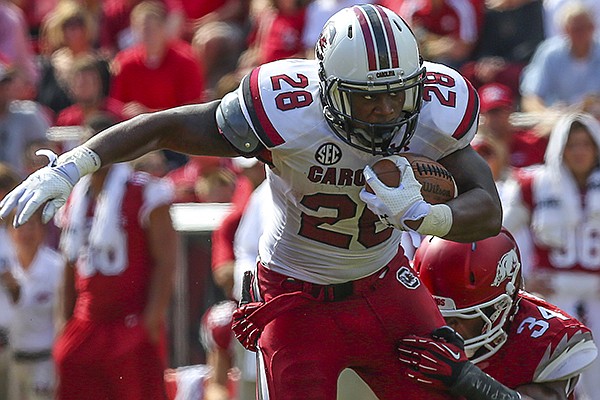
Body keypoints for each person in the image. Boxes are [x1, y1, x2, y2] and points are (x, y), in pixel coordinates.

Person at [0, 5, 502, 398]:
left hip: (386, 282)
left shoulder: (439, 106)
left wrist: (427, 216)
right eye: (367, 97)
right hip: (296, 297)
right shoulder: (286, 111)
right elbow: (168, 125)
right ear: (326, 91)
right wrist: (75, 164)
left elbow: (487, 208)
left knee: (444, 389)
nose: (387, 110)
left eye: (397, 94)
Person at [50, 114, 178, 400]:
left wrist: (151, 320)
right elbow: (69, 263)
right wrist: (63, 322)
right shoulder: (76, 196)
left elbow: (166, 261)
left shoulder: (145, 191)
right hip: (87, 321)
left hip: (129, 321)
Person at [398, 230, 598, 399]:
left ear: (502, 305)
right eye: (437, 312)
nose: (446, 326)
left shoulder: (547, 339)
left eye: (461, 318)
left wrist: (466, 379)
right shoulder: (406, 324)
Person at [500, 112, 600, 400]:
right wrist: (524, 278)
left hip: (596, 294)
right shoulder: (535, 182)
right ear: (559, 147)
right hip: (553, 295)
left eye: (586, 144)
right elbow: (501, 230)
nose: (579, 152)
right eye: (572, 145)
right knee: (552, 377)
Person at [5, 208, 65, 400]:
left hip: (44, 364)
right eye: (19, 227)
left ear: (42, 230)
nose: (25, 233)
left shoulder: (57, 267)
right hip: (9, 363)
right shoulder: (5, 267)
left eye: (31, 226)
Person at [520, 1, 600, 115]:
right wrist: (548, 117)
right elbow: (530, 98)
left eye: (585, 27)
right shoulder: (550, 53)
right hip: (558, 122)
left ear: (593, 28)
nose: (581, 33)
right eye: (575, 29)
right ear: (565, 30)